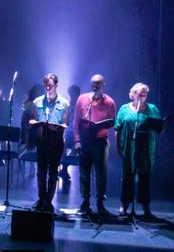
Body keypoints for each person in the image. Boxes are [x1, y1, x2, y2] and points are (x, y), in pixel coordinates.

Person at [73, 74, 117, 215]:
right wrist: (77, 140)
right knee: (84, 172)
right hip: (85, 141)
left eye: (98, 83)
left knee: (101, 173)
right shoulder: (82, 99)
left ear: (104, 84)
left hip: (101, 141)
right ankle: (85, 201)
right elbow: (76, 121)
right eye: (93, 83)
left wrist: (101, 126)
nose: (95, 86)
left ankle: (100, 202)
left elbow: (112, 122)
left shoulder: (109, 102)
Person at [115, 83, 160, 219]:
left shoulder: (152, 109)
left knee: (144, 176)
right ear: (133, 94)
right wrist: (118, 147)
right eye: (140, 94)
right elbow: (117, 129)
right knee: (127, 175)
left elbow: (159, 128)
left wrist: (157, 126)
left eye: (145, 95)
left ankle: (146, 207)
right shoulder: (124, 109)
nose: (142, 97)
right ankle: (124, 205)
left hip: (145, 148)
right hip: (129, 147)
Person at [29, 73, 70, 213]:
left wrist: (57, 126)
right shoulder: (37, 102)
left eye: (50, 84)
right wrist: (34, 123)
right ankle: (41, 199)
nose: (47, 87)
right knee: (40, 172)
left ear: (56, 85)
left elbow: (66, 123)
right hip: (42, 141)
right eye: (46, 84)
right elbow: (32, 119)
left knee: (53, 172)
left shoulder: (64, 103)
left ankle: (49, 201)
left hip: (56, 141)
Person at [59, 84, 81, 181]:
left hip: (77, 134)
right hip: (68, 132)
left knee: (76, 149)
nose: (73, 95)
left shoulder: (81, 105)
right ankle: (63, 169)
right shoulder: (67, 105)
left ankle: (64, 168)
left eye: (74, 93)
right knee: (62, 147)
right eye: (71, 93)